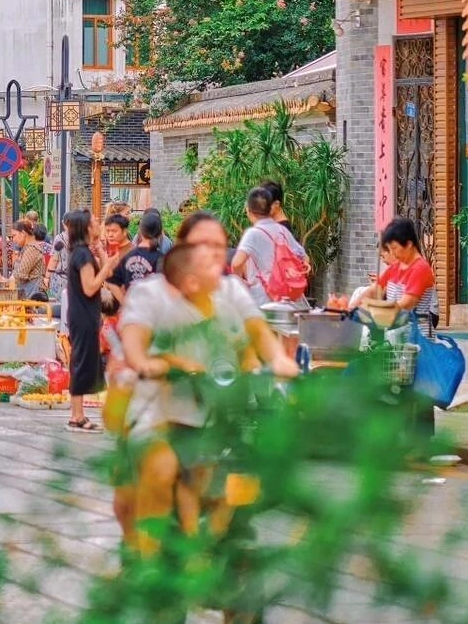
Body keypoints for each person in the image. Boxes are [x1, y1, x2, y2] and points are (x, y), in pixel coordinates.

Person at [116, 209, 298, 549]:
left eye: (219, 245)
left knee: (250, 472)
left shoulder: (231, 291)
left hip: (221, 411)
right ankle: (156, 558)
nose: (213, 252)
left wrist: (277, 360)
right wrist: (144, 362)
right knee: (160, 471)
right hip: (162, 411)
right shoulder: (151, 293)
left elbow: (258, 331)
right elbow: (135, 338)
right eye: (202, 244)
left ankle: (213, 542)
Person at [64, 208, 120, 431]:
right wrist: (106, 264)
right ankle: (76, 415)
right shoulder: (82, 255)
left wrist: (103, 255)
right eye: (95, 221)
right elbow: (90, 287)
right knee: (80, 362)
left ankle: (78, 414)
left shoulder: (84, 252)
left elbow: (106, 274)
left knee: (83, 360)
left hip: (84, 313)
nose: (99, 224)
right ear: (87, 227)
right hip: (84, 314)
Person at [232, 188, 311, 306]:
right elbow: (304, 257)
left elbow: (236, 263)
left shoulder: (253, 233)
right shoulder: (283, 230)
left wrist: (241, 280)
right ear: (270, 209)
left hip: (263, 300)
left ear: (248, 210)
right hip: (287, 299)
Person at [360, 218, 439, 322]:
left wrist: (374, 310)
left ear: (409, 244)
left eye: (394, 248)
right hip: (395, 330)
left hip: (413, 334)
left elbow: (406, 304)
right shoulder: (396, 267)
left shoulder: (420, 268)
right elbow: (373, 290)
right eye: (389, 249)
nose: (392, 253)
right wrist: (350, 307)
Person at [111, 208, 164, 304]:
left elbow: (111, 281)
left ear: (141, 231)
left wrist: (125, 304)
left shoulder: (128, 256)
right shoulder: (161, 259)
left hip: (132, 314)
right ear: (160, 232)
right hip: (151, 312)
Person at [10, 220, 48, 299]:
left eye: (14, 235)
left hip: (33, 296)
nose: (13, 239)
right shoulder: (26, 248)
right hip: (27, 294)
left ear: (23, 233)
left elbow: (21, 274)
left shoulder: (32, 249)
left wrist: (5, 281)